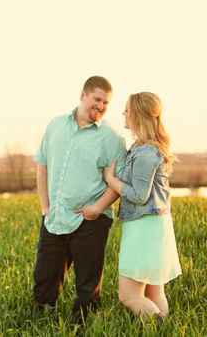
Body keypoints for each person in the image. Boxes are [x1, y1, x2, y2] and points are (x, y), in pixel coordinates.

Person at [32, 76, 126, 323]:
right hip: (55, 216)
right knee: (45, 274)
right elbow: (42, 166)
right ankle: (42, 318)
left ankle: (82, 324)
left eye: (106, 102)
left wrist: (97, 208)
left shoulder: (112, 139)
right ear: (83, 95)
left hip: (91, 220)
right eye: (97, 99)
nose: (101, 106)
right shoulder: (55, 126)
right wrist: (45, 208)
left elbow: (118, 184)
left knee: (88, 281)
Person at [103, 92, 181, 321]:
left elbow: (138, 195)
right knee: (153, 290)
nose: (123, 114)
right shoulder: (141, 146)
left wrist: (111, 180)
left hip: (144, 227)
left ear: (137, 114)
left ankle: (158, 324)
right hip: (153, 225)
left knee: (128, 296)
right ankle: (163, 328)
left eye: (127, 110)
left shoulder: (146, 152)